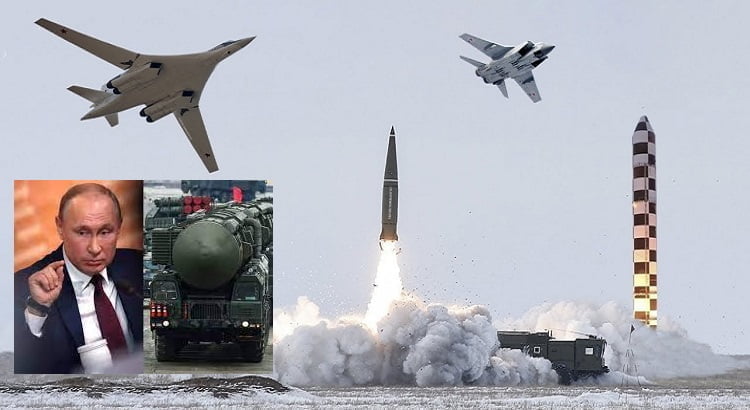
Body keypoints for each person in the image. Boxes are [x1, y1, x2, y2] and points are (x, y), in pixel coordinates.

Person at [14, 183, 143, 374]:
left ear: (119, 228)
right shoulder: (21, 287)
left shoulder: (137, 265)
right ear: (60, 227)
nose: (95, 248)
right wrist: (38, 309)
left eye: (105, 232)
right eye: (82, 232)